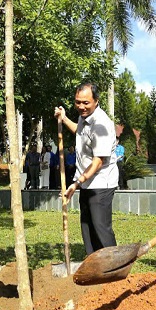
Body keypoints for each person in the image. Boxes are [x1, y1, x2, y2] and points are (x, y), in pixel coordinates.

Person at [54, 82, 118, 254]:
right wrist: (64, 118)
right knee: (87, 228)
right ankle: (94, 264)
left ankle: (113, 268)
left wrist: (76, 183)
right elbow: (80, 132)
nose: (81, 107)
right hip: (87, 182)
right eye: (78, 102)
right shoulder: (85, 118)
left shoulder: (101, 125)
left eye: (86, 103)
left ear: (96, 101)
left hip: (101, 184)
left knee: (100, 228)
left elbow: (98, 161)